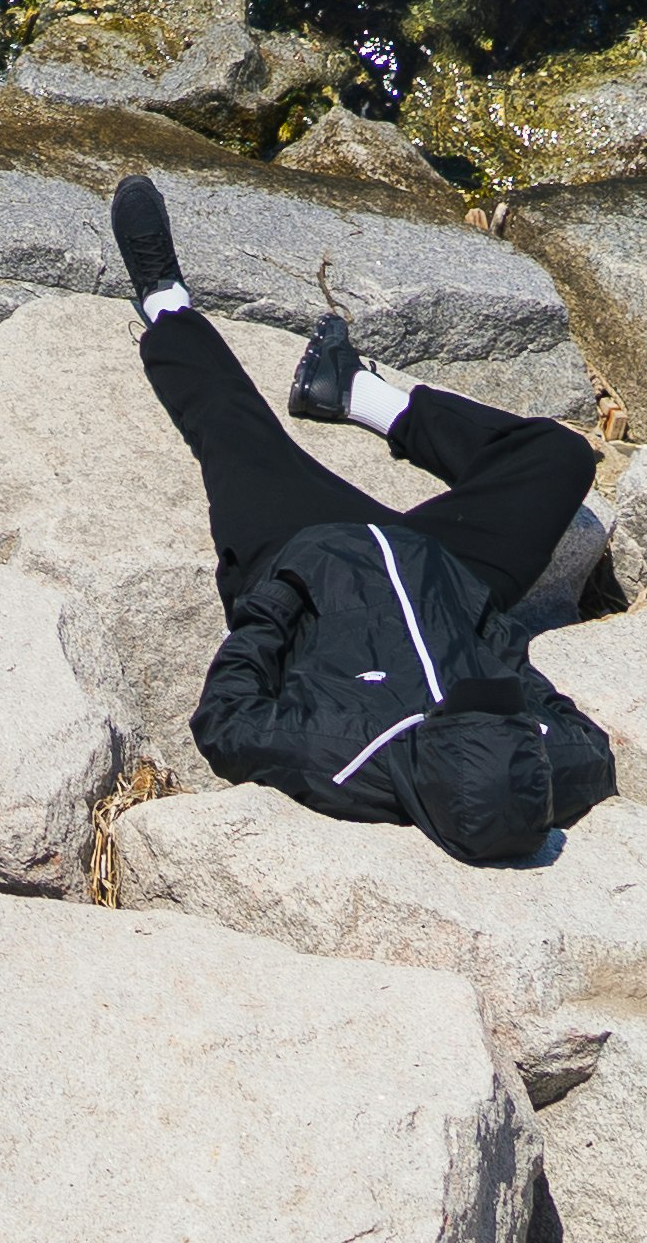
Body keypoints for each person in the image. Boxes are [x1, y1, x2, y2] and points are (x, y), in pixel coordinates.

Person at [113, 176, 615, 867]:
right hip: (449, 570)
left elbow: (224, 720)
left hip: (304, 553)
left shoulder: (342, 757)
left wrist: (278, 601)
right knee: (557, 456)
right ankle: (356, 393)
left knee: (233, 431)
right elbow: (590, 749)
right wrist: (497, 649)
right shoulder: (548, 768)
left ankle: (165, 303)